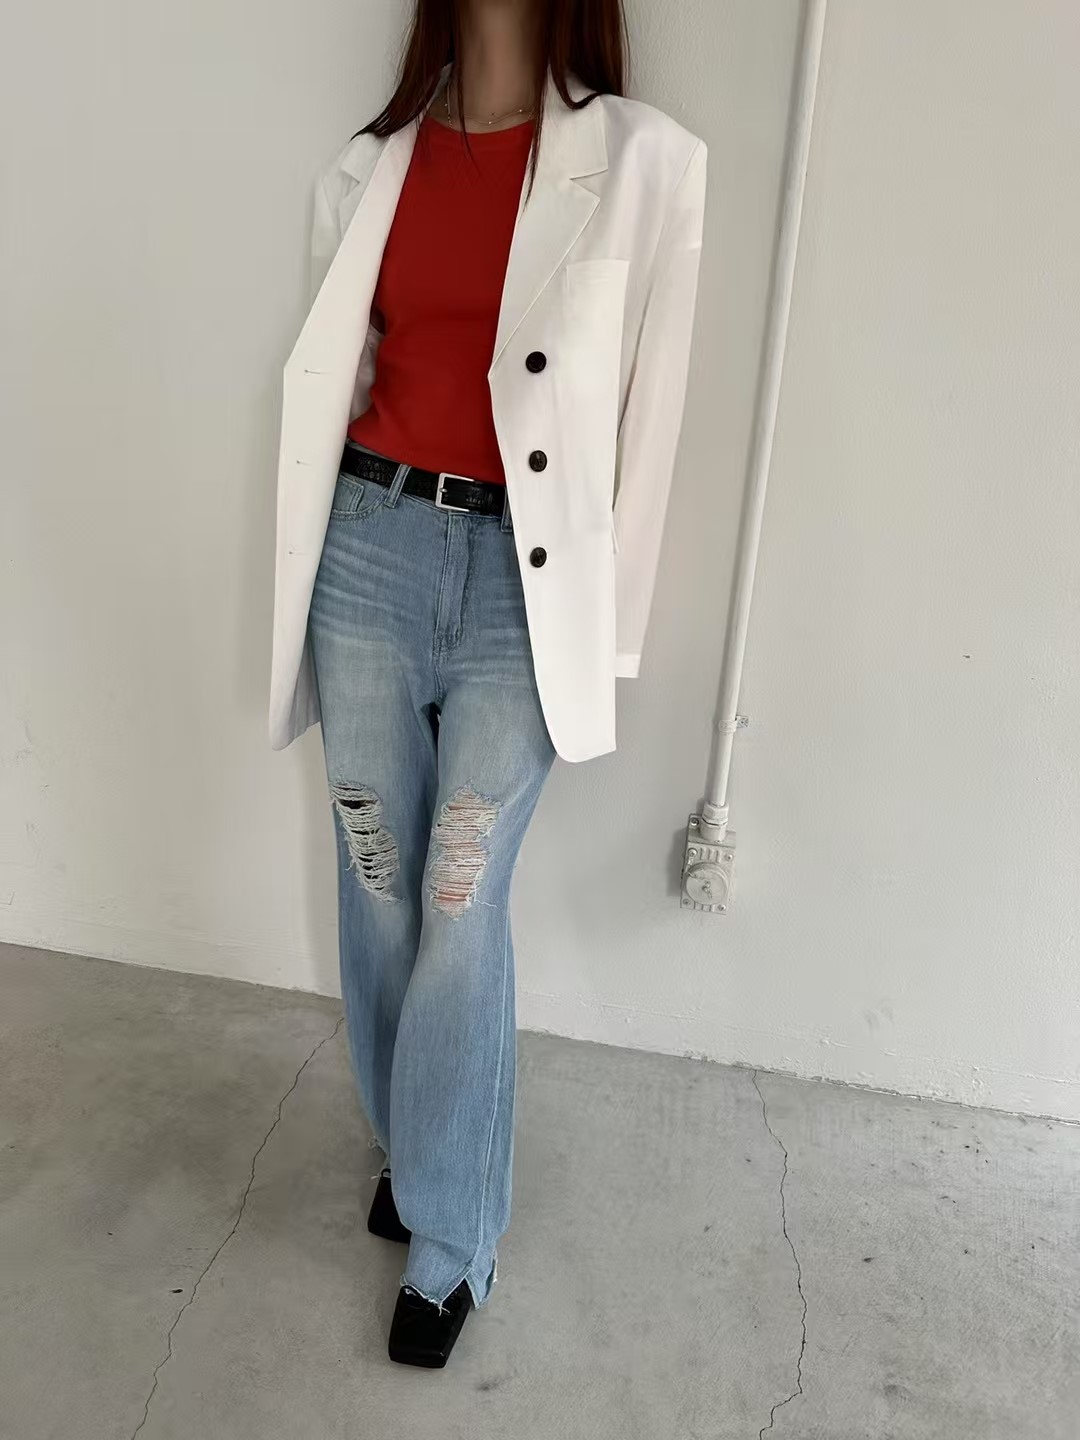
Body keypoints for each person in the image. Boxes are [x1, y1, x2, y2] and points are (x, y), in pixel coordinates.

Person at [268, 0, 707, 1368]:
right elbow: (336, 380)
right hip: (367, 549)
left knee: (461, 896)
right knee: (379, 874)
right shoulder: (370, 164)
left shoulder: (648, 161)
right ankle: (412, 1145)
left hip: (528, 587)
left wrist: (607, 645)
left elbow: (649, 427)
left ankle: (452, 1235)